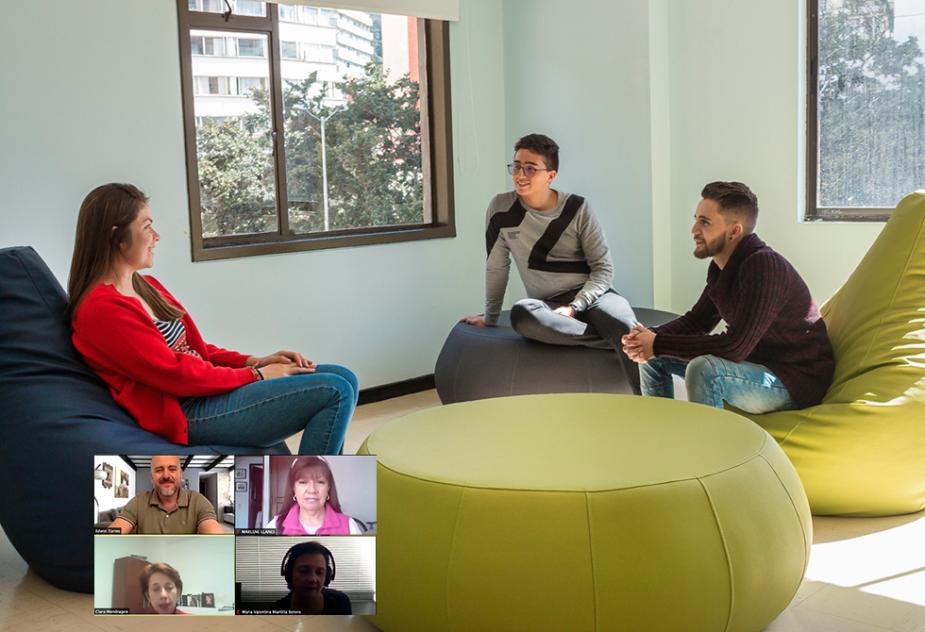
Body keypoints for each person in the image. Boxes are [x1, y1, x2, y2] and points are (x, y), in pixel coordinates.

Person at [68, 183, 358, 454]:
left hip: (206, 393)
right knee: (335, 390)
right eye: (147, 226)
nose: (156, 236)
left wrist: (256, 361)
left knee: (345, 377)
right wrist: (255, 375)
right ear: (117, 238)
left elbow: (198, 350)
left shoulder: (147, 286)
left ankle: (324, 484)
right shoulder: (102, 310)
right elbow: (174, 373)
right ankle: (312, 490)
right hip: (188, 411)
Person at [622, 181, 835, 412]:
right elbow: (697, 321)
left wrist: (657, 343)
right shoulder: (721, 267)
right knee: (653, 358)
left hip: (793, 379)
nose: (694, 230)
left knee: (704, 369)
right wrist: (647, 337)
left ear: (734, 231)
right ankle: (661, 431)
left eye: (705, 222)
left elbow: (735, 347)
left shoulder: (764, 266)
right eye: (696, 219)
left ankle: (707, 437)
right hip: (754, 366)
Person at [461, 133, 640, 392]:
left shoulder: (578, 208)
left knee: (626, 327)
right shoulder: (500, 208)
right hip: (548, 305)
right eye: (516, 166)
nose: (520, 175)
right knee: (522, 315)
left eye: (530, 168)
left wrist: (575, 307)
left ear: (551, 176)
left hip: (595, 296)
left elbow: (603, 268)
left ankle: (651, 401)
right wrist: (490, 318)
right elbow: (497, 267)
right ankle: (613, 339)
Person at [109, 455, 224, 534]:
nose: (166, 476)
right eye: (159, 470)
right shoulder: (139, 501)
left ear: (180, 474)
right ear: (152, 477)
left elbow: (215, 535)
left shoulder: (198, 500)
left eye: (172, 469)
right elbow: (113, 533)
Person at [265, 456, 363, 535]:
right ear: (293, 488)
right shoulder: (275, 526)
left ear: (328, 488)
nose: (312, 490)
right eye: (303, 482)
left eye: (320, 482)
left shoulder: (349, 526)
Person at [272, 541, 352, 615]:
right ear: (289, 573)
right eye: (303, 571)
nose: (312, 579)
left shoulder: (341, 602)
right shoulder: (276, 611)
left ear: (327, 576)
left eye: (319, 572)